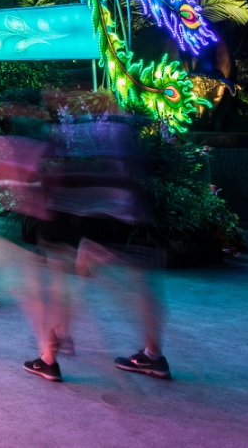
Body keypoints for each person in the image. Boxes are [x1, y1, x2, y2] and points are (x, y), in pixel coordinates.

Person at [23, 106, 170, 382]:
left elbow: (50, 175)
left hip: (85, 215)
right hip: (128, 213)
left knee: (61, 277)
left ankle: (49, 357)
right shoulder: (120, 129)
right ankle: (153, 355)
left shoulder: (68, 132)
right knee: (142, 285)